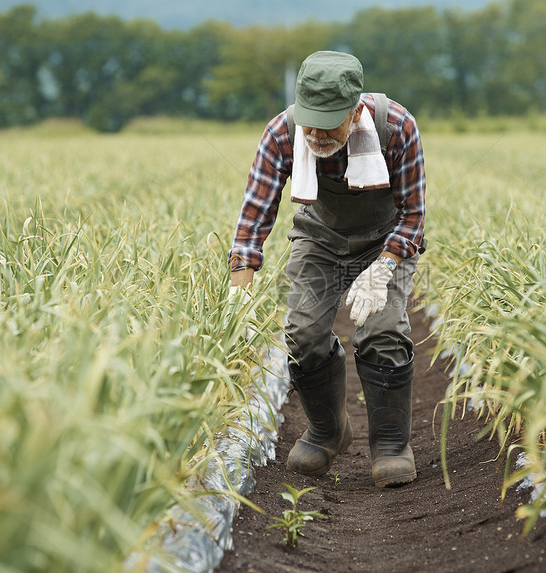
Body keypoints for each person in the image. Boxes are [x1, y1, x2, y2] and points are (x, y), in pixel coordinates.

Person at [227, 50, 426, 488]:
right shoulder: (283, 132)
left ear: (356, 112)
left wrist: (382, 269)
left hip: (384, 241)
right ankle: (326, 429)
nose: (314, 133)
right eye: (308, 120)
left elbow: (413, 216)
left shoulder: (397, 128)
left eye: (327, 121)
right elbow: (254, 215)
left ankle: (391, 444)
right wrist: (238, 292)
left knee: (382, 330)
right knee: (302, 333)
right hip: (319, 239)